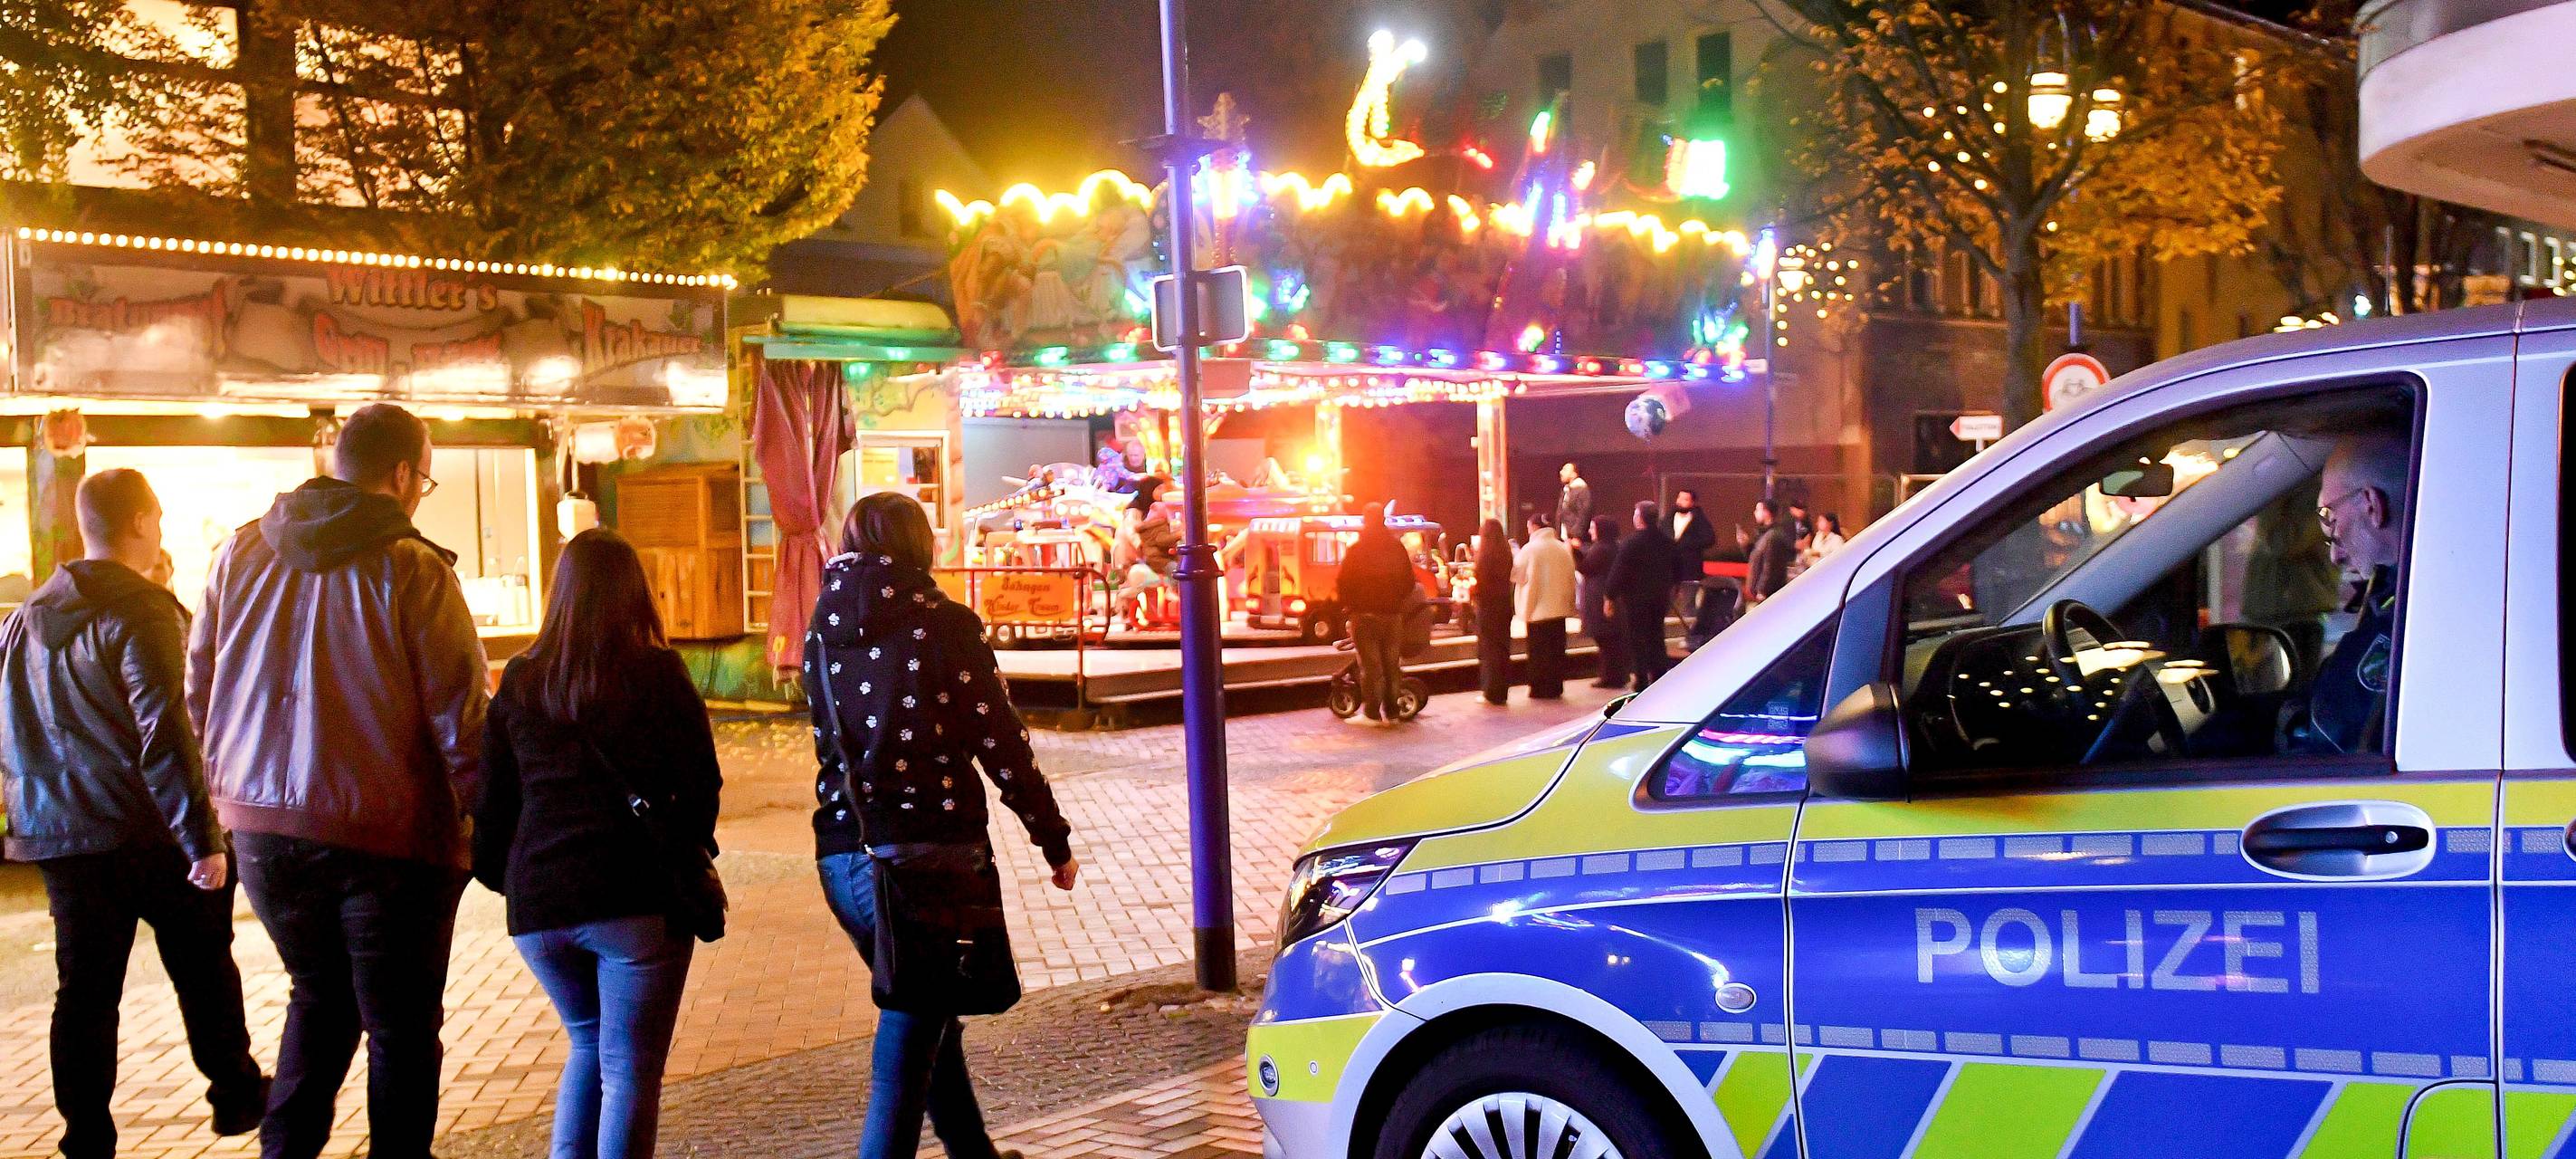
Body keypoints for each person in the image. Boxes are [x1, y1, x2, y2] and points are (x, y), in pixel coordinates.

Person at [189, 402, 488, 1159]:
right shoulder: (413, 566)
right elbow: (460, 720)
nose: (422, 493)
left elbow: (198, 689)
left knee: (318, 999)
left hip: (259, 830)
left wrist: (223, 792)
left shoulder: (238, 554)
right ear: (401, 474)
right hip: (386, 836)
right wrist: (492, 827)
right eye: (425, 478)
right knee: (400, 1031)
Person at [1, 469, 267, 1159]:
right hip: (147, 830)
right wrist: (201, 837)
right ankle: (234, 1093)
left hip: (59, 835)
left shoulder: (24, 621)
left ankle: (86, 1133)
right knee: (204, 965)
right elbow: (167, 728)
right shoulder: (144, 609)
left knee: (83, 992)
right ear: (145, 521)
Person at [806, 493, 1078, 1159]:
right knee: (908, 1036)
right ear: (919, 544)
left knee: (928, 1017)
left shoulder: (821, 625)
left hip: (844, 856)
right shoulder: (941, 624)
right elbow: (1001, 743)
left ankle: (973, 1152)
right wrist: (1054, 839)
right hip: (926, 860)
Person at [474, 529, 720, 1159]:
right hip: (634, 900)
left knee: (588, 1044)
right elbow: (701, 782)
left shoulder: (521, 681)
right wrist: (687, 851)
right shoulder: (659, 673)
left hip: (539, 907)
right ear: (633, 595)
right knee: (630, 1070)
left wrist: (521, 880)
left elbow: (492, 804)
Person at [2287, 431, 2409, 755]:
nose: (2335, 556)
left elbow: (2329, 741)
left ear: (2371, 505)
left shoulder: (2403, 616)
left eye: (2330, 517)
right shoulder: (2407, 598)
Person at [1336, 504, 1422, 723]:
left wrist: (1351, 605)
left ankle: (1372, 713)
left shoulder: (1357, 550)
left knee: (1371, 667)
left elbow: (1343, 582)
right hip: (1392, 616)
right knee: (1392, 665)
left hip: (1364, 615)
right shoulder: (1396, 548)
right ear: (1383, 519)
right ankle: (1392, 712)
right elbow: (1409, 582)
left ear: (1366, 520)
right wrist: (1395, 601)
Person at [1605, 501, 1680, 690]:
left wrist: (1609, 596)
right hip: (1659, 598)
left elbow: (1619, 571)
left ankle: (1641, 680)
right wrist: (1674, 588)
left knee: (1637, 639)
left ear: (1640, 519)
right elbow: (1678, 568)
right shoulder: (1667, 541)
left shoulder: (1631, 543)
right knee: (1656, 636)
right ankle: (1660, 677)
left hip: (1636, 599)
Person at [1512, 513, 1578, 699]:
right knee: (1556, 651)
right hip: (1559, 609)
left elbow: (1516, 575)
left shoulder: (1529, 549)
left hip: (1537, 611)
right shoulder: (1562, 547)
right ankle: (1556, 687)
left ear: (1534, 527)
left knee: (1538, 653)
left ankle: (1539, 689)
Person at [1579, 514, 1629, 689]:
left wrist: (1574, 551)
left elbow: (1586, 568)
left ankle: (1609, 676)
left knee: (1606, 640)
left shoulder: (1601, 549)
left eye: (1593, 527)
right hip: (1610, 597)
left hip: (1599, 598)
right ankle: (1618, 675)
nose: (1590, 531)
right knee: (1613, 641)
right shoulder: (1616, 546)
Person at [1474, 519, 1516, 705]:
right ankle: (1501, 692)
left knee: (1489, 650)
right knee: (1502, 648)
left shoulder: (1484, 556)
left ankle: (1490, 691)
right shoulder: (1506, 553)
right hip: (1504, 605)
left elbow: (1480, 583)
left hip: (1488, 607)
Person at [1666, 489, 1718, 614]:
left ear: (1692, 503)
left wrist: (1686, 545)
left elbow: (1710, 539)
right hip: (1669, 570)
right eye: (1679, 498)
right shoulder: (1668, 517)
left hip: (1690, 570)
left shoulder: (1699, 520)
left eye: (1685, 499)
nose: (1680, 502)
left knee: (1687, 607)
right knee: (1668, 605)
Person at [1745, 499, 1797, 607]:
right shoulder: (1764, 534)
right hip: (1762, 592)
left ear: (1767, 513)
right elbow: (1757, 558)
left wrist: (1762, 590)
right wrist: (1746, 545)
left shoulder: (1773, 536)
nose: (1755, 513)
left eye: (1758, 510)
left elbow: (1770, 565)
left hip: (1768, 594)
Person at [1798, 512, 1849, 576]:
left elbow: (1838, 558)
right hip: (1815, 571)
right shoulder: (1818, 536)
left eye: (1821, 521)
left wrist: (1819, 554)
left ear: (1830, 523)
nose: (1817, 523)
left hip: (1829, 573)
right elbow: (1812, 553)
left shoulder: (1837, 539)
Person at [1555, 463, 1591, 542]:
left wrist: (1576, 536)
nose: (1561, 472)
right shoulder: (1566, 490)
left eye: (1565, 470)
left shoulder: (1581, 490)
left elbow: (1583, 514)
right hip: (1564, 539)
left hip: (1574, 540)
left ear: (1574, 474)